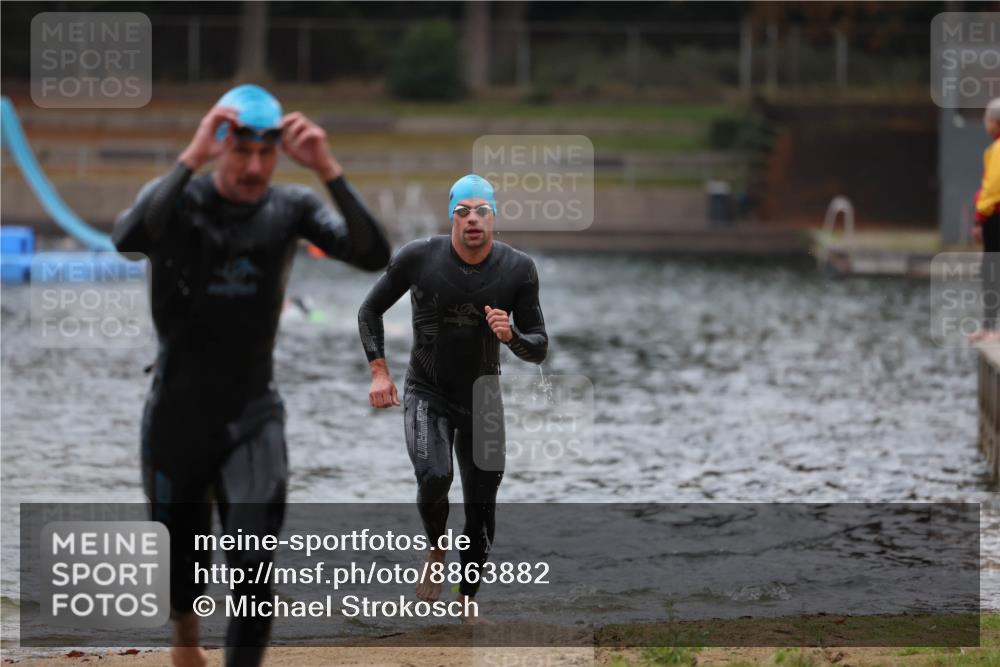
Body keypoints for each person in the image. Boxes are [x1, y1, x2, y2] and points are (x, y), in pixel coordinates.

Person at [112, 84, 390, 667]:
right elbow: (129, 238)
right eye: (242, 151)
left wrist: (328, 169)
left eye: (267, 154)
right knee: (182, 565)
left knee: (255, 560)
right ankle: (185, 641)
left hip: (253, 415)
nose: (255, 167)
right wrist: (191, 158)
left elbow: (371, 255)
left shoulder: (290, 208)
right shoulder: (178, 202)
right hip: (176, 416)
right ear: (220, 146)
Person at [357, 174, 547, 620]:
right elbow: (369, 310)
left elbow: (539, 347)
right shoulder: (419, 257)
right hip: (428, 390)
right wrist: (379, 372)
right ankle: (437, 547)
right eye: (463, 211)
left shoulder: (519, 269)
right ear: (452, 218)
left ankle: (466, 599)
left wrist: (512, 336)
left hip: (483, 397)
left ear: (493, 217)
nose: (472, 219)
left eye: (482, 210)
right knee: (435, 476)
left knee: (481, 506)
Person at [971, 98, 1000, 343]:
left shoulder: (998, 149)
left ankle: (991, 328)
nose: (984, 123)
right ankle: (989, 326)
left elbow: (992, 188)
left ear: (994, 121)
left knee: (992, 270)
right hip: (992, 216)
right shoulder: (993, 150)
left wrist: (979, 217)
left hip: (995, 217)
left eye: (986, 118)